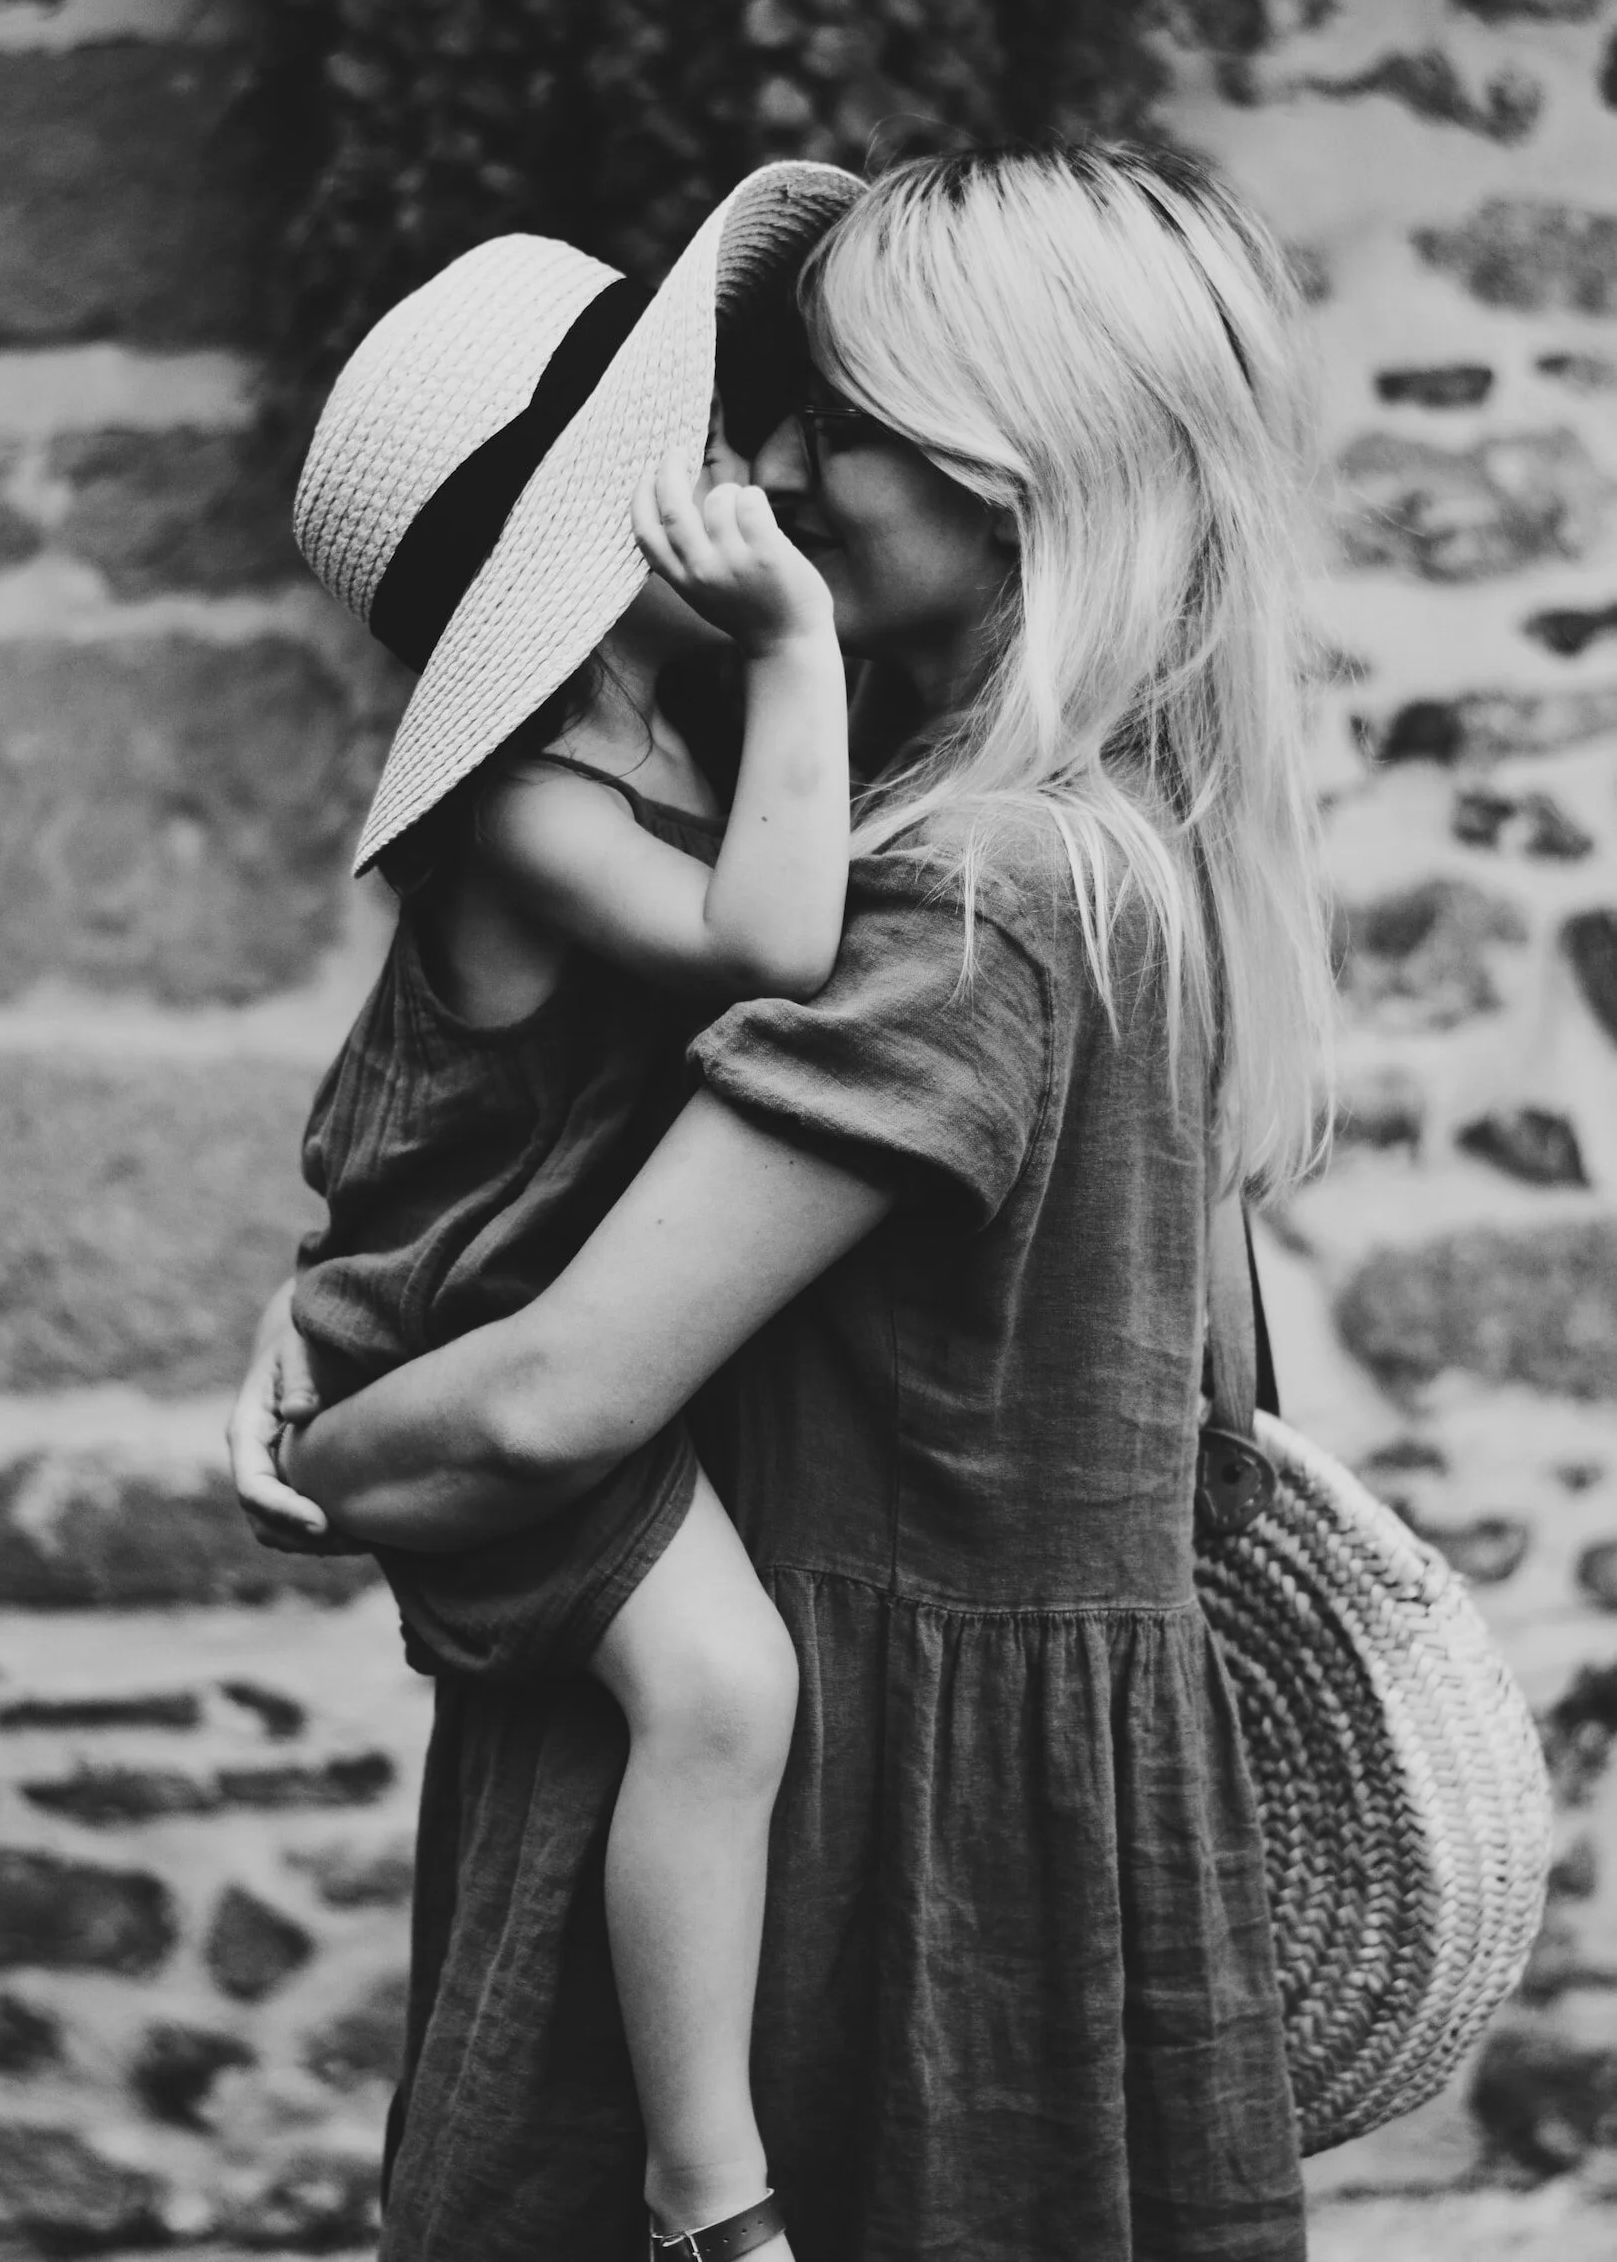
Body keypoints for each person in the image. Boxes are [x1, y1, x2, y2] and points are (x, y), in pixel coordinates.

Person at [232, 141, 1334, 2262]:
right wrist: (367, 1298)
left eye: (842, 422)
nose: (785, 470)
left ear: (1014, 474)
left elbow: (550, 1401)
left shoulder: (976, 894)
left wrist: (319, 1441)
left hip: (863, 1849)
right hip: (972, 1815)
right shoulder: (1115, 857)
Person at [265, 163, 862, 2262]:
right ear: (583, 532)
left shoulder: (643, 726)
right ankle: (710, 2189)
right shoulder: (529, 794)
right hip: (483, 1319)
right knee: (720, 1690)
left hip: (479, 1276)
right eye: (710, 453)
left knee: (716, 1693)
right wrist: (798, 641)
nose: (770, 472)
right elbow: (779, 938)